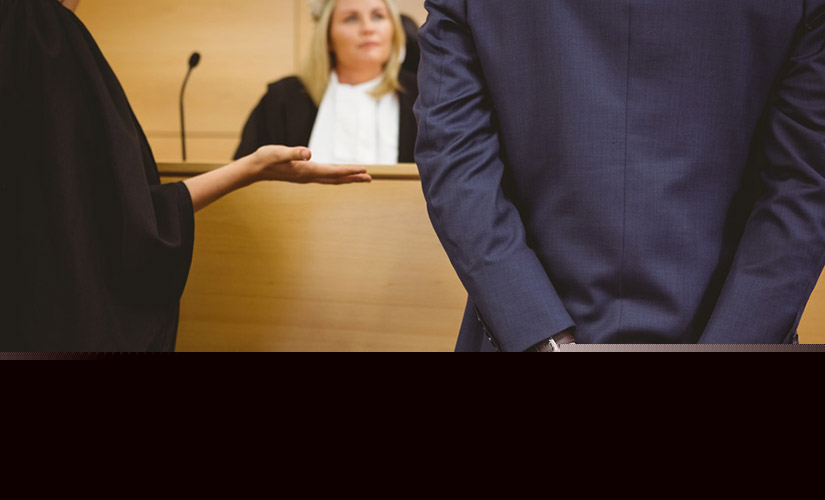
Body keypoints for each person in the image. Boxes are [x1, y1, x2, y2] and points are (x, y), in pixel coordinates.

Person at [414, 0, 825, 351]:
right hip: (724, 325)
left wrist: (542, 337)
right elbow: (808, 180)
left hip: (527, 332)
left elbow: (452, 153)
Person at [0, 0, 371, 352]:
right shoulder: (41, 31)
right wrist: (252, 168)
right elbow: (122, 220)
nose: (367, 29)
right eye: (352, 18)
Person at [234, 0, 418, 165]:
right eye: (351, 19)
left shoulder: (422, 98)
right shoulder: (282, 100)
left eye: (378, 16)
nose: (368, 28)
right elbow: (243, 177)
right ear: (328, 36)